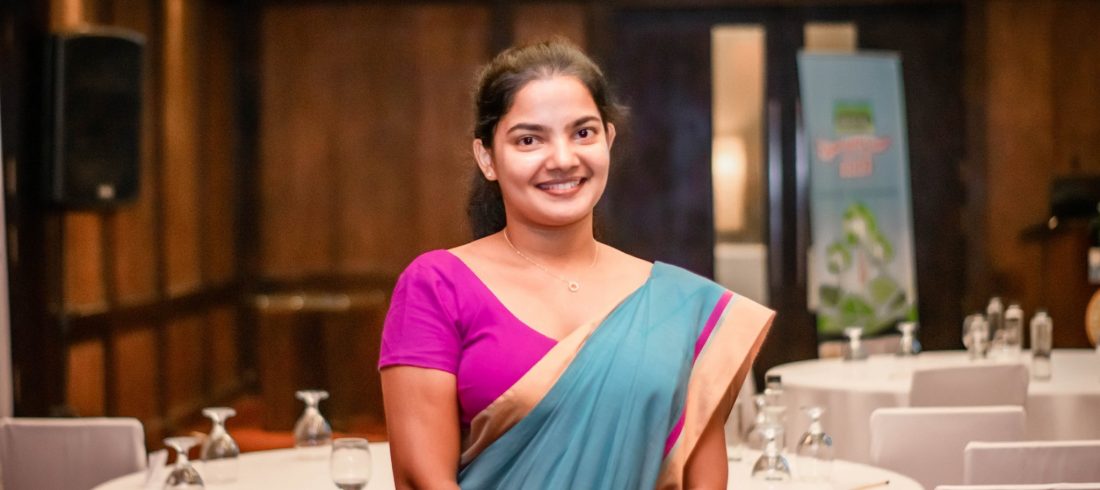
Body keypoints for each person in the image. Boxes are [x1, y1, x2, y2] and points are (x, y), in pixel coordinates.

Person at [378, 40, 773, 489]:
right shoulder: (438, 286)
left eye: (583, 133)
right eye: (529, 140)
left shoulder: (680, 305)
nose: (563, 160)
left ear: (609, 140)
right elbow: (422, 478)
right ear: (487, 158)